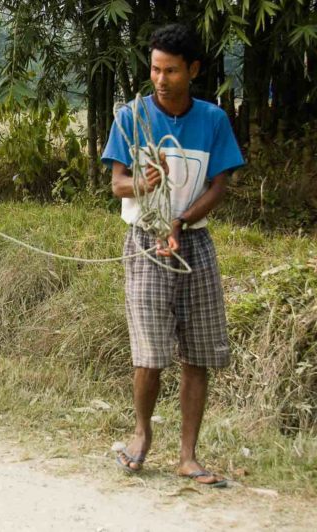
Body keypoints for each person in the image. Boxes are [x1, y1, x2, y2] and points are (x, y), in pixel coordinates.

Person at [101, 23, 245, 487]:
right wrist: (144, 184)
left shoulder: (213, 120)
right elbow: (116, 183)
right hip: (145, 240)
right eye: (155, 70)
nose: (161, 80)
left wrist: (181, 222)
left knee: (197, 354)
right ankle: (141, 437)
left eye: (172, 71)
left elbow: (219, 184)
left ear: (194, 71)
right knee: (150, 353)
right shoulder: (132, 117)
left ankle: (188, 456)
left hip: (194, 241)